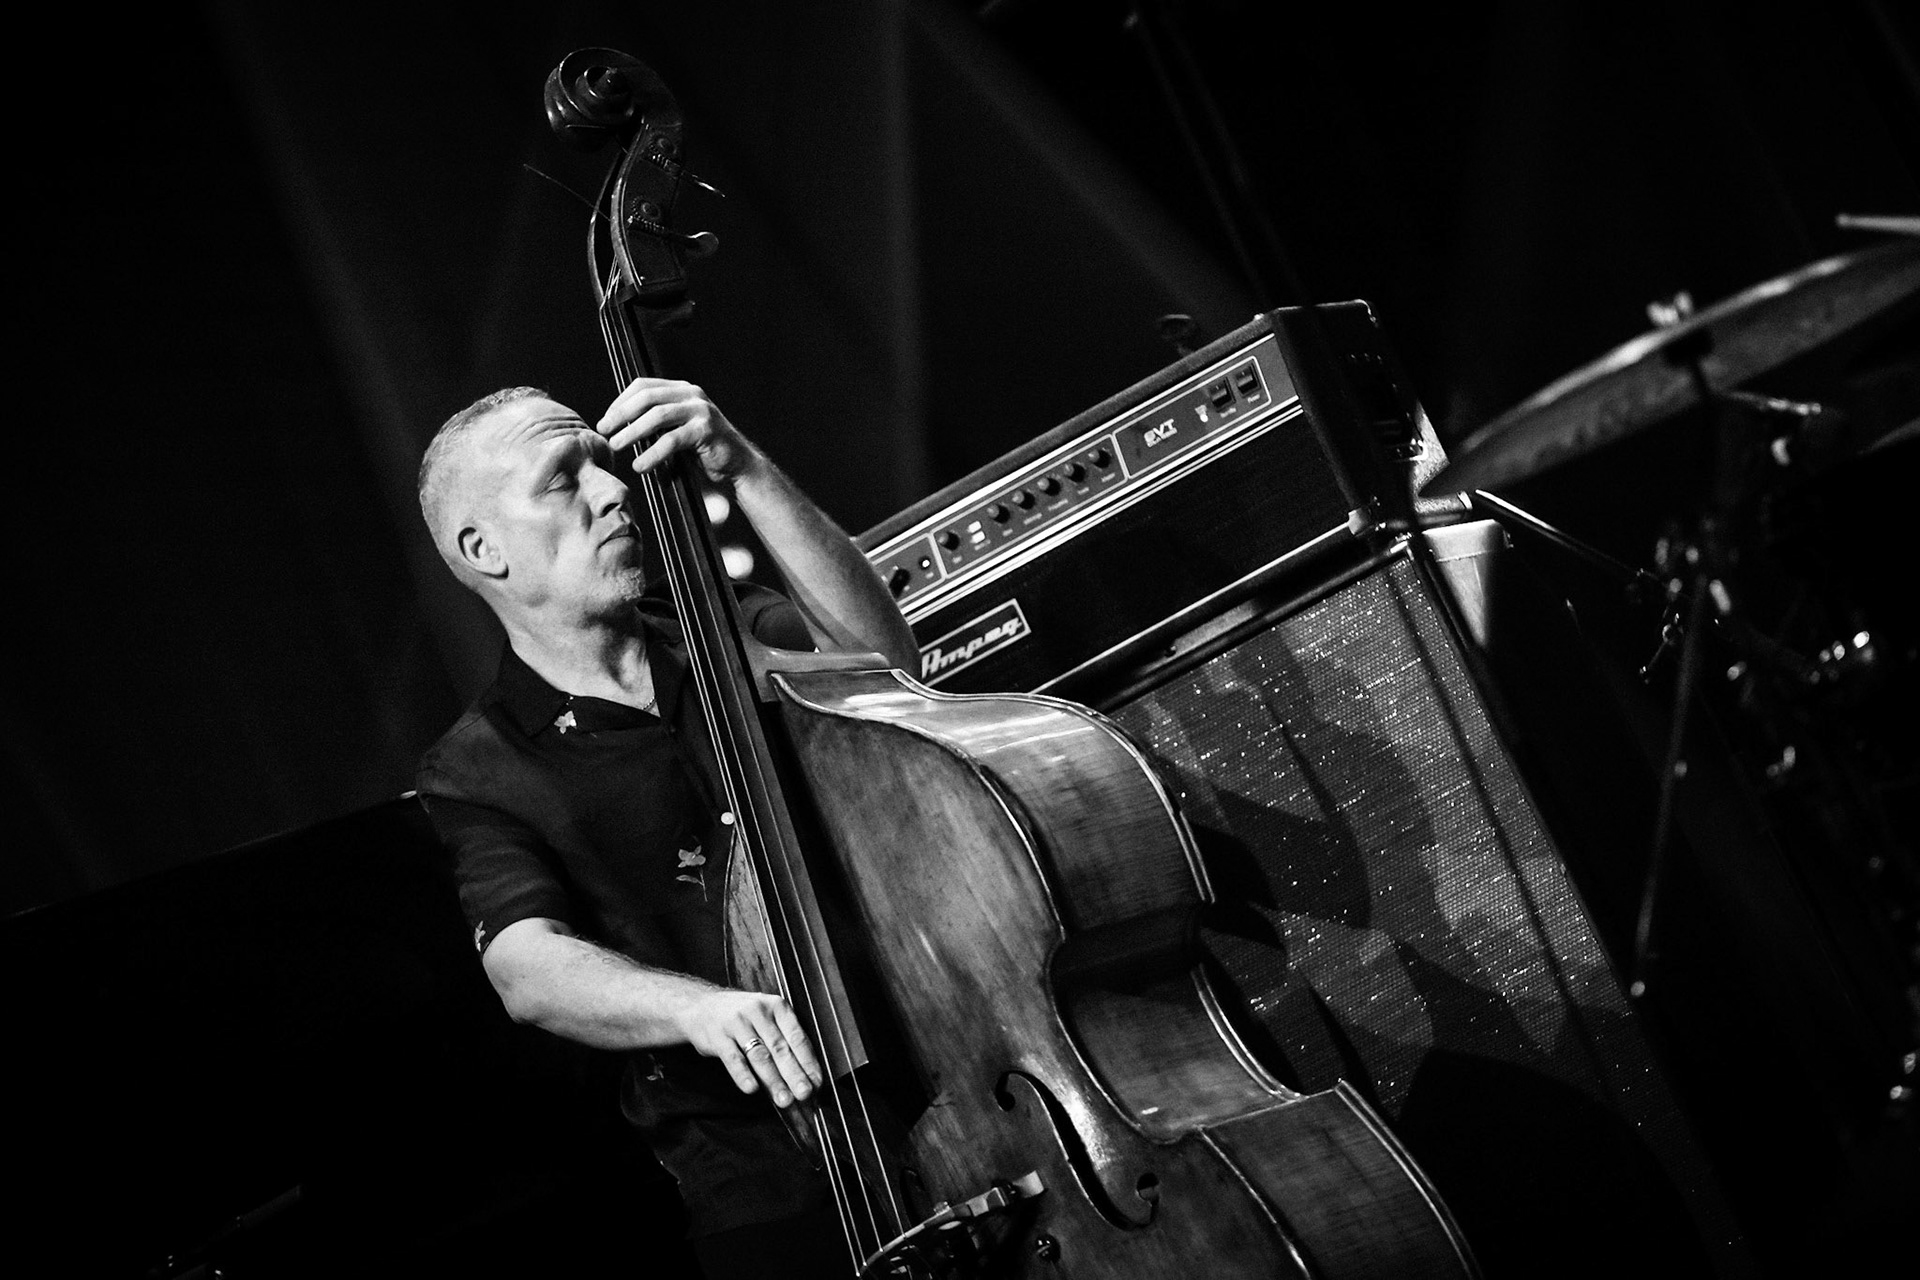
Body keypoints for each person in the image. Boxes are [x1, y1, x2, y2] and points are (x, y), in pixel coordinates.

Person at [412, 378, 920, 1276]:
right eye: (563, 478)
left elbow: (885, 665)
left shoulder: (724, 625)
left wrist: (744, 467)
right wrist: (697, 1008)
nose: (614, 490)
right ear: (482, 548)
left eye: (606, 464)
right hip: (768, 1187)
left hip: (933, 1069)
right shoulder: (479, 768)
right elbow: (527, 967)